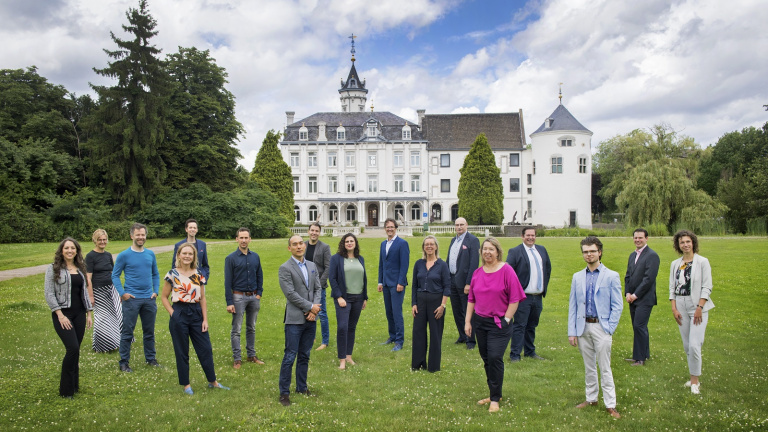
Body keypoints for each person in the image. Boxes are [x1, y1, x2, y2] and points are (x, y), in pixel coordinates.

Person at [465, 237, 526, 413]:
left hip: (500, 323)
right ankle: (495, 392)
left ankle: (494, 399)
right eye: (485, 249)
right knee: (486, 359)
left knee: (494, 358)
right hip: (480, 322)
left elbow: (515, 298)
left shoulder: (507, 270)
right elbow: (471, 299)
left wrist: (507, 319)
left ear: (498, 251)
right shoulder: (477, 273)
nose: (487, 252)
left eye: (491, 249)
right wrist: (468, 321)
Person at [161, 243, 229, 395]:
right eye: (184, 253)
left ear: (194, 257)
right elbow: (164, 297)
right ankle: (186, 385)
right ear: (178, 255)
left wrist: (205, 320)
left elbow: (203, 298)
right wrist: (173, 313)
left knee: (205, 349)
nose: (187, 256)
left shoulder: (198, 274)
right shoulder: (172, 274)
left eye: (190, 254)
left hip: (196, 313)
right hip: (179, 312)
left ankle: (213, 381)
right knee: (182, 351)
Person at [568, 236, 623, 419]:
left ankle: (610, 404)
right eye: (585, 251)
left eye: (592, 251)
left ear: (599, 252)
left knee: (604, 367)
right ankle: (591, 398)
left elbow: (617, 305)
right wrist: (572, 331)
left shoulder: (611, 275)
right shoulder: (577, 277)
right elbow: (573, 306)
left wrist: (610, 328)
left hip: (602, 327)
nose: (589, 254)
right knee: (589, 366)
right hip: (583, 327)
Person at [44, 238, 93, 398]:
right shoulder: (53, 269)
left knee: (77, 350)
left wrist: (89, 313)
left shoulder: (80, 268)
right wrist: (60, 314)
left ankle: (74, 385)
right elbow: (49, 293)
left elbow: (84, 292)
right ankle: (66, 391)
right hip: (63, 314)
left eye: (73, 248)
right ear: (62, 250)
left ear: (77, 251)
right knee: (72, 349)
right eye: (67, 248)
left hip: (79, 314)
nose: (70, 251)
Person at [278, 235, 322, 407]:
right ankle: (284, 393)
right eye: (294, 244)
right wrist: (310, 307)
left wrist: (315, 309)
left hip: (311, 318)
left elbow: (318, 288)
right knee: (290, 356)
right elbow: (290, 294)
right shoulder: (285, 268)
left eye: (300, 243)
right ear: (289, 248)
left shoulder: (311, 265)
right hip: (295, 319)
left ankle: (302, 388)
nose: (298, 246)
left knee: (305, 355)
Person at [669, 230, 714, 395]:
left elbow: (707, 286)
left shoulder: (702, 262)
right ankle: (693, 376)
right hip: (680, 306)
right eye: (682, 242)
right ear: (678, 245)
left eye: (688, 241)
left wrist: (700, 307)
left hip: (697, 307)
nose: (685, 245)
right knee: (687, 345)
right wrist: (674, 308)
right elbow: (672, 288)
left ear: (693, 243)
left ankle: (695, 382)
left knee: (695, 345)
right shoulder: (675, 264)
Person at [112, 223, 161, 372]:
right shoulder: (124, 255)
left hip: (148, 299)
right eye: (138, 235)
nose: (141, 237)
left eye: (143, 235)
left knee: (149, 332)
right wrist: (122, 293)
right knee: (127, 332)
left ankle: (151, 359)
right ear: (132, 236)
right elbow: (115, 275)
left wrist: (156, 291)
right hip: (131, 299)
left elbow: (155, 274)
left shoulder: (150, 254)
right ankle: (124, 362)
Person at [505, 227, 552, 361]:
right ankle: (515, 354)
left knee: (532, 325)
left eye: (533, 235)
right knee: (519, 325)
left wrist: (543, 287)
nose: (530, 238)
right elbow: (509, 273)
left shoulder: (541, 250)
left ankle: (530, 352)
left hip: (537, 296)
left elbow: (547, 268)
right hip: (522, 297)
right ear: (522, 236)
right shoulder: (515, 251)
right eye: (528, 235)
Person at [224, 227, 265, 369]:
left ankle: (251, 355)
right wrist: (229, 302)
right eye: (241, 238)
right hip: (238, 296)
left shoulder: (255, 256)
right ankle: (237, 358)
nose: (243, 240)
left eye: (246, 238)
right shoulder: (230, 258)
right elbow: (227, 282)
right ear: (237, 239)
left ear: (250, 239)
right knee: (236, 329)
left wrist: (259, 293)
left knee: (251, 327)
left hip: (254, 296)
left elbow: (259, 275)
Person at [411, 235, 450, 372]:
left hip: (436, 303)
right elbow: (414, 286)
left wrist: (443, 306)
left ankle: (433, 366)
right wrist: (414, 303)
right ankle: (418, 363)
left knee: (435, 334)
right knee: (418, 333)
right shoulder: (418, 264)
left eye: (431, 244)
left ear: (436, 246)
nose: (429, 246)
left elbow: (447, 287)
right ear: (423, 247)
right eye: (426, 244)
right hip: (420, 302)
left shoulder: (442, 265)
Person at [329, 233, 368, 370]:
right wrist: (339, 296)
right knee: (342, 327)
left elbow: (363, 278)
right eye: (347, 241)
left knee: (351, 328)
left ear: (355, 243)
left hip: (358, 298)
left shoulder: (360, 259)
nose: (349, 243)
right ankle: (342, 360)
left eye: (352, 241)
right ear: (343, 244)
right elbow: (332, 279)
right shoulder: (336, 259)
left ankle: (348, 356)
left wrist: (365, 297)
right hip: (343, 298)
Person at [624, 228, 660, 366]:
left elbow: (648, 279)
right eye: (635, 238)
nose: (637, 240)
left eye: (640, 238)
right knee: (636, 326)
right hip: (632, 298)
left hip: (644, 298)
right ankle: (640, 354)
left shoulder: (652, 256)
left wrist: (635, 295)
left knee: (640, 326)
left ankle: (640, 359)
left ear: (646, 239)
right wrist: (627, 293)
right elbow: (628, 276)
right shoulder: (632, 255)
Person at [85, 229, 121, 353]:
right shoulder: (90, 256)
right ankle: (102, 346)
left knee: (116, 315)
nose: (102, 242)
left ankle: (115, 342)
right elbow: (88, 278)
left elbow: (113, 273)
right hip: (98, 290)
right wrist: (91, 296)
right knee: (102, 318)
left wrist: (118, 290)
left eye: (104, 239)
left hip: (111, 289)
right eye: (100, 240)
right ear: (95, 240)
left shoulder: (108, 255)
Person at [378, 218, 410, 352]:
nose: (389, 229)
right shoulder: (383, 244)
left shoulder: (402, 243)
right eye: (387, 227)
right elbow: (382, 264)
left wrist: (401, 282)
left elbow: (404, 265)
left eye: (392, 227)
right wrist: (380, 281)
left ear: (396, 228)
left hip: (397, 284)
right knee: (389, 312)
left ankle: (399, 340)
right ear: (385, 229)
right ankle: (392, 336)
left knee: (397, 313)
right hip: (386, 283)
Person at [447, 218, 480, 349]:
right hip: (452, 280)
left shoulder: (472, 240)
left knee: (468, 311)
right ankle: (462, 335)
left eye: (461, 224)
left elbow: (474, 264)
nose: (459, 227)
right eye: (457, 225)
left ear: (467, 225)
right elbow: (449, 259)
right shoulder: (453, 240)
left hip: (464, 282)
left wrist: (469, 283)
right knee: (457, 311)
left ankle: (471, 340)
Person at [305, 223, 332, 351]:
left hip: (319, 286)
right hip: (305, 285)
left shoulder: (324, 247)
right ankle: (311, 337)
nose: (314, 233)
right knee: (308, 311)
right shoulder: (303, 245)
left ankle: (325, 341)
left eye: (316, 231)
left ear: (319, 233)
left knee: (321, 313)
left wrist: (319, 285)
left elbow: (328, 267)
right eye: (312, 230)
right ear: (308, 231)